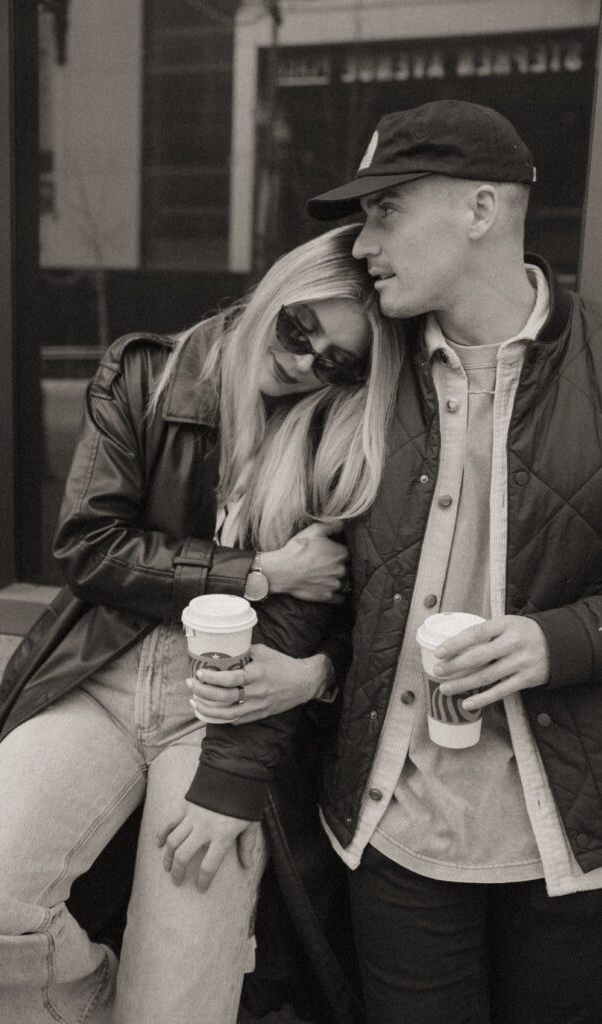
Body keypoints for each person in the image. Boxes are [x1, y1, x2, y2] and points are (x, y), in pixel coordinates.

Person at [0, 224, 402, 1024]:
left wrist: (310, 681)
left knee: (177, 1006)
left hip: (227, 716)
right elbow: (89, 547)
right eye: (298, 328)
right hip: (102, 677)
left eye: (338, 361)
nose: (306, 360)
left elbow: (357, 614)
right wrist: (258, 571)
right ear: (274, 295)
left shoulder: (346, 432)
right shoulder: (149, 372)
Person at [193, 99, 602, 1024]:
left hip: (571, 842)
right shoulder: (355, 387)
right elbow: (311, 600)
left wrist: (564, 639)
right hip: (392, 835)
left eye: (386, 211)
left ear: (480, 210)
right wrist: (225, 781)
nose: (362, 240)